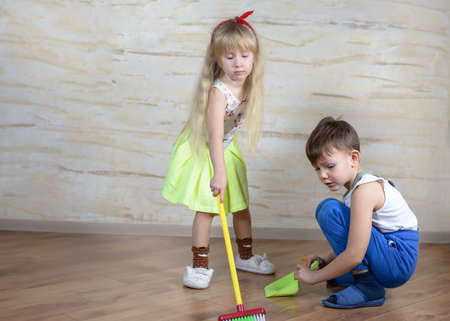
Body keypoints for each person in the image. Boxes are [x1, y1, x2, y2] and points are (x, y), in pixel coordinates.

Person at [162, 11, 275, 289]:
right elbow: (213, 137)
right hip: (204, 149)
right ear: (217, 58)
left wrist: (225, 166)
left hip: (226, 147)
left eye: (245, 56)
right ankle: (199, 266)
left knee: (241, 206)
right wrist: (218, 173)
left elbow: (226, 137)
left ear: (254, 58)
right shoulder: (217, 92)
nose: (238, 63)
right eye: (230, 56)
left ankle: (245, 257)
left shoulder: (250, 85)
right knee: (207, 209)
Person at [296, 116, 419, 308]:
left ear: (354, 158)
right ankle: (349, 275)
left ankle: (368, 286)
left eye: (329, 166)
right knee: (332, 210)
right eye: (317, 169)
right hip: (389, 251)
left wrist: (314, 277)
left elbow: (354, 253)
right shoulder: (356, 190)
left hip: (398, 259)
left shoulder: (364, 191)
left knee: (329, 210)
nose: (322, 175)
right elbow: (356, 235)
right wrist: (326, 259)